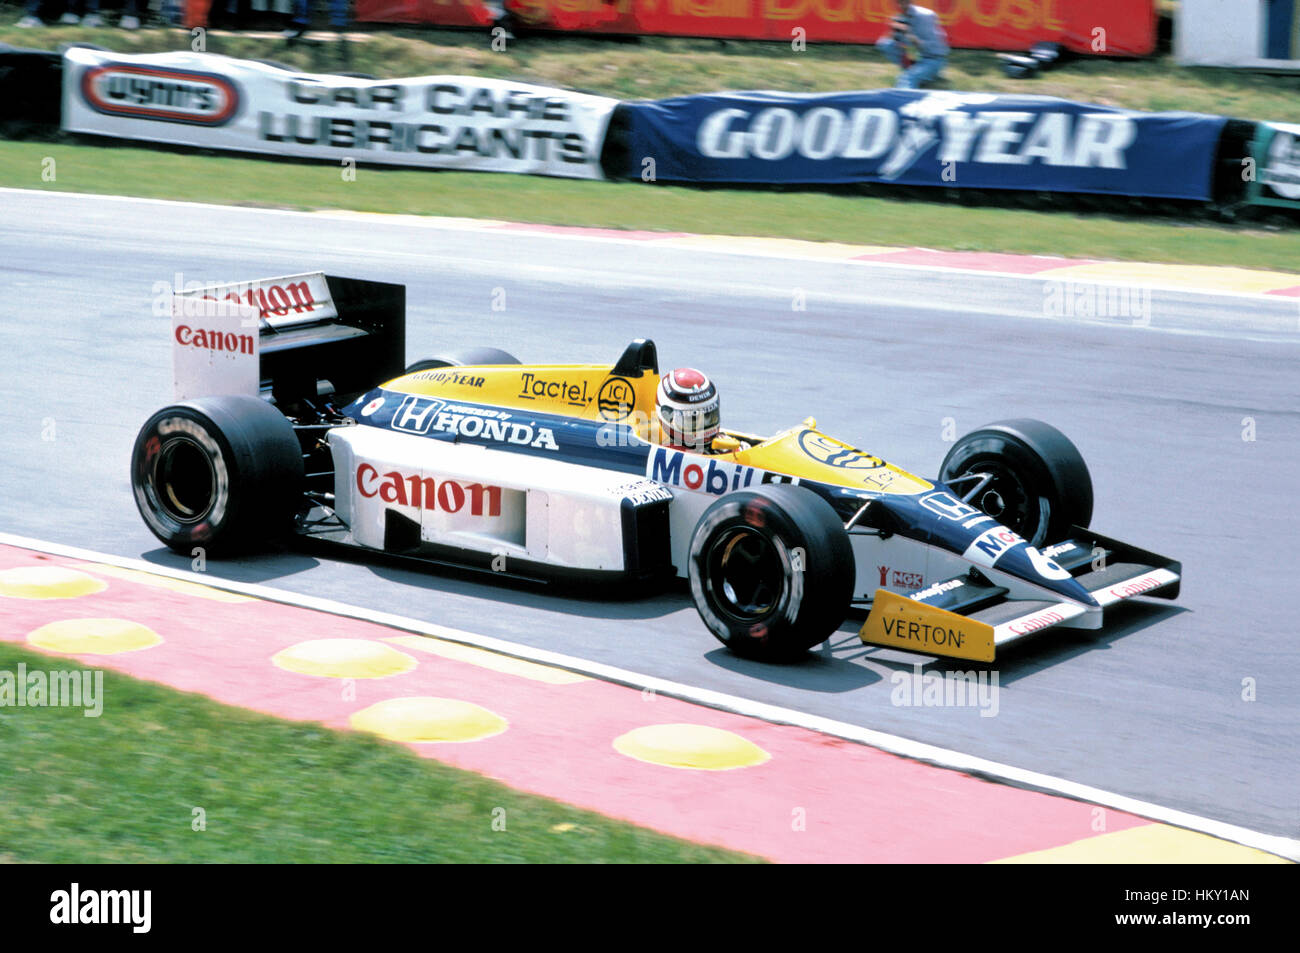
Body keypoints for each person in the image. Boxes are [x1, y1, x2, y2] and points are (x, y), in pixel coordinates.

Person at [655, 367, 751, 455]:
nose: (704, 427)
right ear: (667, 416)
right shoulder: (668, 456)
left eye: (709, 416)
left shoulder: (727, 445)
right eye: (693, 420)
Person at [876, 0, 949, 90]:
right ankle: (919, 73)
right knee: (886, 44)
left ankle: (907, 98)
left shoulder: (924, 16)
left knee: (907, 79)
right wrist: (892, 31)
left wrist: (909, 34)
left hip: (932, 59)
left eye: (905, 2)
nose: (901, 5)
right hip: (915, 58)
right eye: (898, 2)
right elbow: (885, 43)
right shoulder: (901, 17)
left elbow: (937, 49)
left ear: (911, 2)